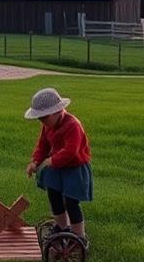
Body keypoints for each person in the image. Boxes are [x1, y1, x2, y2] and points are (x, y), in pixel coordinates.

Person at [24, 87, 93, 242]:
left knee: (71, 201)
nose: (41, 121)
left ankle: (78, 236)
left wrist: (53, 160)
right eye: (39, 119)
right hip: (56, 168)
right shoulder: (47, 126)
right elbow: (42, 145)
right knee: (54, 195)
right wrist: (35, 161)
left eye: (44, 117)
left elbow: (71, 151)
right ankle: (62, 226)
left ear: (57, 111)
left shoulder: (73, 125)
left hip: (74, 168)